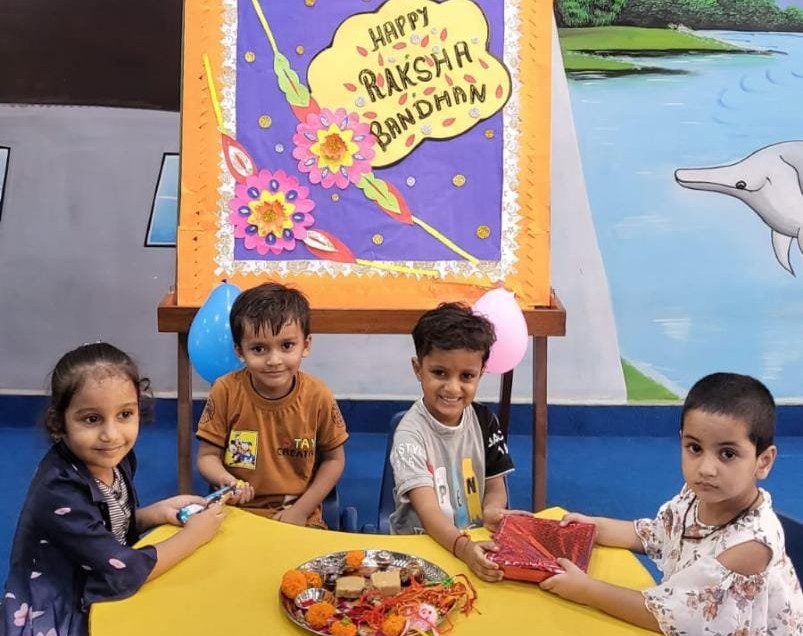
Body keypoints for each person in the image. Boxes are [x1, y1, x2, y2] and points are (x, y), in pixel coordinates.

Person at [541, 372, 803, 633]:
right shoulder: (698, 495)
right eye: (695, 448)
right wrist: (595, 527)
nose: (706, 469)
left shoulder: (750, 548)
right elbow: (658, 533)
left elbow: (670, 617)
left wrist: (586, 589)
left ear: (763, 461)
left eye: (727, 454)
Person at [1, 343, 225, 636]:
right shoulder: (59, 489)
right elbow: (124, 570)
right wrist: (193, 536)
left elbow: (102, 525)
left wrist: (153, 513)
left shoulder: (116, 459)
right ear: (59, 423)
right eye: (91, 419)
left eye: (125, 415)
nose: (111, 435)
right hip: (59, 604)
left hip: (94, 574)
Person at [196, 282, 348, 527]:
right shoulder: (225, 390)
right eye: (259, 349)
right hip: (237, 512)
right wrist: (227, 480)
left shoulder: (318, 395)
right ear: (240, 351)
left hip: (298, 515)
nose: (274, 360)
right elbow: (206, 457)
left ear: (306, 345)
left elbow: (334, 460)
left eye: (287, 346)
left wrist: (301, 509)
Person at [389, 302, 515, 582]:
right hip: (420, 548)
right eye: (440, 373)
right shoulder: (410, 434)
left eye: (466, 376)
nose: (452, 388)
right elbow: (429, 512)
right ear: (418, 368)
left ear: (481, 372)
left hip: (474, 543)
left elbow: (496, 488)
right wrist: (464, 548)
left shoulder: (485, 421)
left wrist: (492, 509)